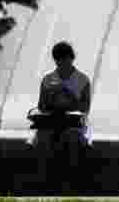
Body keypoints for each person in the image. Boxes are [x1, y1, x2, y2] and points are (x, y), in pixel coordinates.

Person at [31, 41, 91, 192]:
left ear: (72, 58)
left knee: (71, 138)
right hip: (52, 120)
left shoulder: (83, 79)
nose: (62, 64)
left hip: (75, 122)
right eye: (58, 60)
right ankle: (44, 181)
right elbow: (41, 106)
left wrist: (70, 98)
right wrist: (52, 98)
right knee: (43, 138)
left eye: (65, 60)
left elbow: (85, 109)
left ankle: (72, 182)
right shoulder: (48, 79)